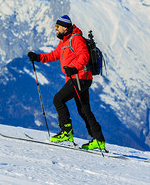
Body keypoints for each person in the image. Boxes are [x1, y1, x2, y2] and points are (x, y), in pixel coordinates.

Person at [28, 15, 105, 150]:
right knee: (84, 110)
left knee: (58, 99)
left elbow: (84, 55)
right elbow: (54, 55)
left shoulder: (76, 39)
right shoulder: (64, 41)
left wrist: (74, 67)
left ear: (65, 27)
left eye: (58, 27)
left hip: (79, 78)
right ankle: (98, 139)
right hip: (79, 78)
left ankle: (66, 132)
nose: (55, 29)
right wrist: (38, 57)